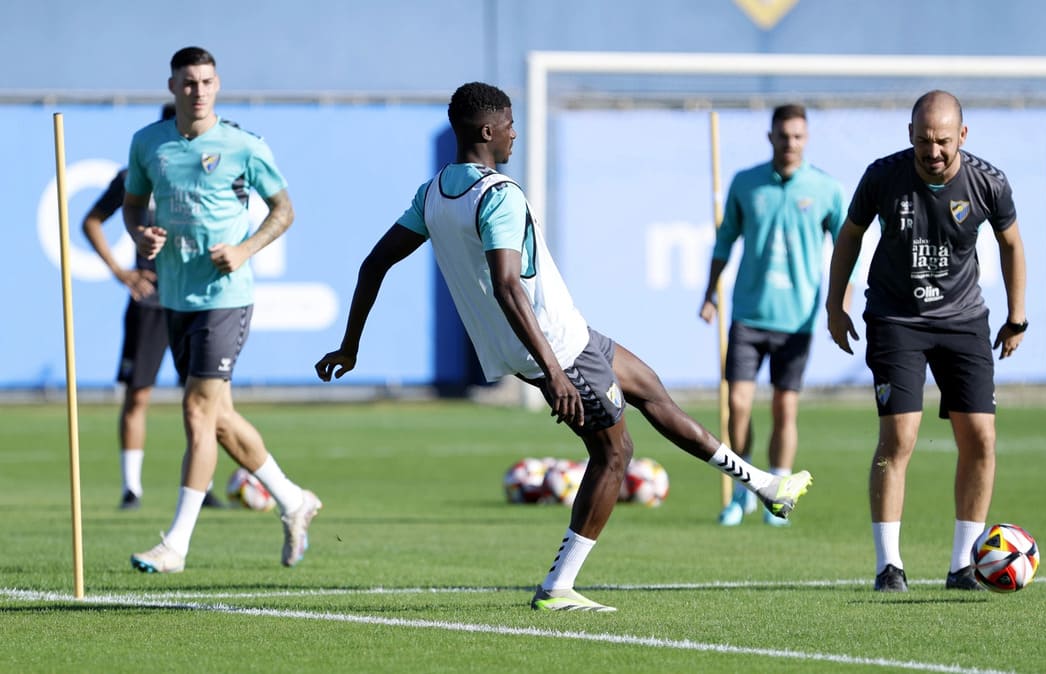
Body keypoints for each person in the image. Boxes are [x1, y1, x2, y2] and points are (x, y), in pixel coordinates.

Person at [314, 81, 814, 612]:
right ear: (488, 131)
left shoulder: (432, 192)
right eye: (508, 124)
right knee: (615, 453)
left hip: (565, 335)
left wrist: (350, 346)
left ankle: (764, 485)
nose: (513, 134)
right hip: (554, 346)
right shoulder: (498, 195)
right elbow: (508, 284)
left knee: (651, 391)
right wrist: (554, 373)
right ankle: (558, 587)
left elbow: (374, 264)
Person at [123, 46, 321, 573]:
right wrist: (140, 237)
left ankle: (176, 545)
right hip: (175, 296)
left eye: (207, 82)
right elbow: (131, 205)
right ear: (172, 87)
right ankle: (293, 499)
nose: (199, 91)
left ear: (217, 85)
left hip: (225, 298)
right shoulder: (148, 144)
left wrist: (244, 250)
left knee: (196, 413)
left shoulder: (242, 146)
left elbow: (284, 209)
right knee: (221, 421)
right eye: (189, 83)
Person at [824, 90, 1027, 592]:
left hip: (964, 321)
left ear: (962, 135)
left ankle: (964, 566)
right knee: (900, 439)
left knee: (981, 438)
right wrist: (835, 304)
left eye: (941, 142)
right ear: (909, 136)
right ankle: (888, 566)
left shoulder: (988, 182)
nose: (932, 153)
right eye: (922, 142)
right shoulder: (883, 176)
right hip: (897, 318)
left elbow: (1011, 244)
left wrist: (1016, 316)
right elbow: (849, 235)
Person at [699, 104, 846, 527]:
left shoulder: (826, 189)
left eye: (798, 136)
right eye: (783, 136)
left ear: (807, 138)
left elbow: (846, 252)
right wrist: (710, 294)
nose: (790, 144)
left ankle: (780, 490)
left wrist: (841, 304)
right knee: (738, 405)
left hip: (796, 320)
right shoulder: (746, 184)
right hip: (747, 314)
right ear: (771, 137)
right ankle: (747, 488)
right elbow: (725, 242)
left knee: (785, 408)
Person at [82, 102, 224, 511]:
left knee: (202, 398)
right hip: (151, 301)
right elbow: (91, 220)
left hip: (196, 300)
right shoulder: (134, 177)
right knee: (139, 394)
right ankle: (132, 489)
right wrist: (120, 272)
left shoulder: (210, 172)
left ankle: (204, 484)